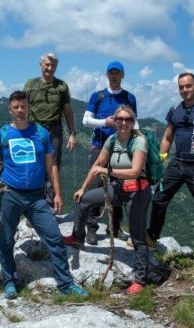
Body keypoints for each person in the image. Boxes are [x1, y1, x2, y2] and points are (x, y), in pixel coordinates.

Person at [0, 91, 89, 300]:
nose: (21, 110)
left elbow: (51, 167)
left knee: (54, 238)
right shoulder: (3, 134)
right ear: (10, 110)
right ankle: (10, 283)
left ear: (29, 108)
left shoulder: (41, 133)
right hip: (10, 193)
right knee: (6, 241)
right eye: (16, 107)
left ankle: (66, 284)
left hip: (36, 197)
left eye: (24, 106)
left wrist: (58, 194)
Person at [63, 105, 152, 294]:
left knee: (137, 236)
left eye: (127, 119)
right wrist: (82, 188)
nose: (123, 123)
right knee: (84, 200)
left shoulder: (139, 141)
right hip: (118, 189)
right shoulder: (111, 140)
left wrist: (108, 171)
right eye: (119, 119)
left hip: (137, 192)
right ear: (114, 120)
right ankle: (77, 238)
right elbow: (97, 165)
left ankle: (140, 280)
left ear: (133, 122)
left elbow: (135, 171)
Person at [149, 72, 194, 260]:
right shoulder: (175, 109)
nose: (185, 90)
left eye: (188, 86)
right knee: (159, 198)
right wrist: (161, 158)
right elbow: (167, 136)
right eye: (181, 87)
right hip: (178, 162)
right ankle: (152, 237)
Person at [81, 60, 137, 244]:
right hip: (99, 146)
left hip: (122, 148)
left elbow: (134, 122)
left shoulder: (129, 97)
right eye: (111, 73)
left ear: (122, 75)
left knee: (120, 187)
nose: (114, 75)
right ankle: (91, 228)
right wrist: (104, 122)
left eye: (117, 73)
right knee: (96, 186)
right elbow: (86, 120)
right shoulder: (98, 97)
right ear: (107, 75)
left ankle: (115, 227)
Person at [23, 51, 78, 170]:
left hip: (54, 131)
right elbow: (23, 109)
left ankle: (52, 189)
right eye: (47, 64)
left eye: (53, 65)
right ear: (40, 65)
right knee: (32, 164)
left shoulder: (62, 86)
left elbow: (68, 112)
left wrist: (72, 134)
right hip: (33, 129)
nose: (50, 68)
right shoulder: (30, 84)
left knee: (53, 166)